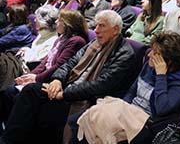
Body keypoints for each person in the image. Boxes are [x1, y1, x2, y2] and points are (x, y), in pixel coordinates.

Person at [0, 10, 138, 143]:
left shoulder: (124, 53)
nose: (96, 30)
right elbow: (70, 63)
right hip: (68, 87)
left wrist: (64, 94)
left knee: (38, 110)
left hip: (87, 99)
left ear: (115, 30)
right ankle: (8, 139)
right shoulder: (94, 43)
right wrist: (57, 80)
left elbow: (101, 85)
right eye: (96, 25)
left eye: (102, 26)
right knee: (30, 90)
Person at [70, 32, 180, 144]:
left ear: (169, 60)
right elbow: (132, 91)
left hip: (146, 123)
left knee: (92, 126)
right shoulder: (149, 66)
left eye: (155, 53)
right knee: (81, 121)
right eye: (151, 50)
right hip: (128, 111)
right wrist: (119, 111)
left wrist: (161, 76)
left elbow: (161, 108)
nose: (149, 55)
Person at [0, 10, 88, 125]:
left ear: (67, 23)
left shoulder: (76, 41)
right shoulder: (61, 38)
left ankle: (14, 130)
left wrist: (36, 78)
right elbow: (45, 61)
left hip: (54, 81)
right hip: (44, 75)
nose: (56, 22)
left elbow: (59, 65)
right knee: (8, 90)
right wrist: (30, 75)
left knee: (13, 93)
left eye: (59, 20)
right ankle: (9, 126)